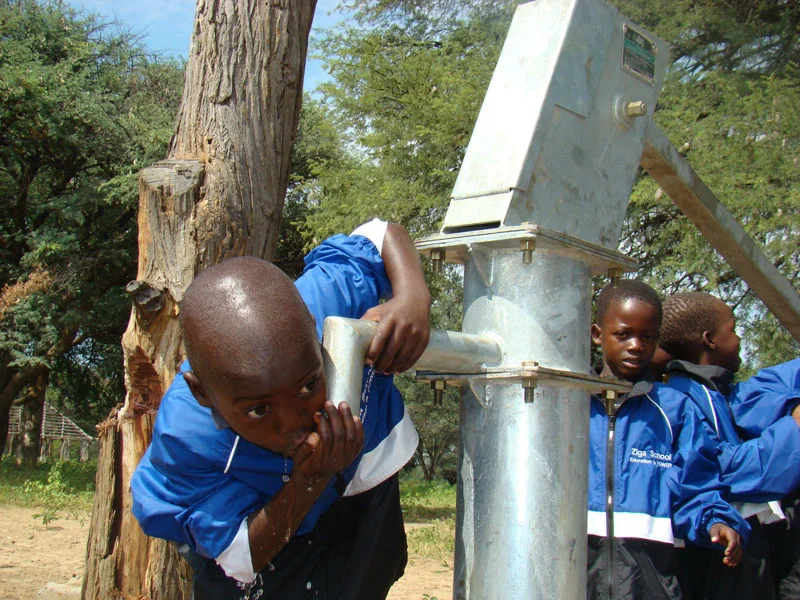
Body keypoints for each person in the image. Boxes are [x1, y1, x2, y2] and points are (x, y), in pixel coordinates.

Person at [131, 219, 431, 600]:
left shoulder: (326, 301)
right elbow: (239, 557)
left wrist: (412, 297)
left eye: (309, 384)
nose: (295, 422)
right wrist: (314, 475)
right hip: (262, 531)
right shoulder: (188, 438)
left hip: (361, 483)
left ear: (312, 328)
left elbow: (378, 232)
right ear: (203, 394)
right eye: (259, 410)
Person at [588, 279, 748, 600]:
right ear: (597, 335)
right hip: (572, 577)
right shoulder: (567, 405)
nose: (636, 345)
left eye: (648, 337)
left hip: (650, 584)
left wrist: (714, 522)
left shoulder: (675, 410)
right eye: (623, 334)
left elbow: (697, 487)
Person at [659, 292, 800, 600]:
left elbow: (771, 389)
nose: (739, 340)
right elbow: (725, 470)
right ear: (710, 339)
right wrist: (796, 427)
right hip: (718, 556)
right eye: (734, 330)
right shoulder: (682, 398)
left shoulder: (719, 392)